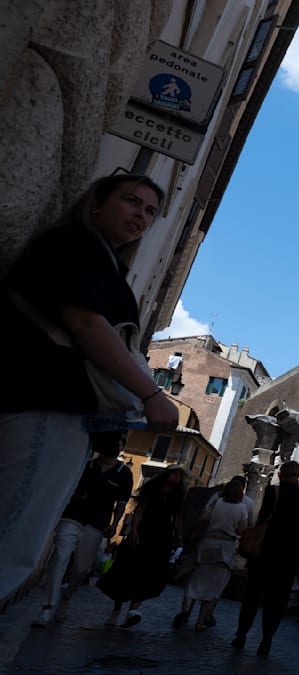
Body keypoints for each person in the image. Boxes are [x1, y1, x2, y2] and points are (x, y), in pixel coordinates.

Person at [0, 174, 178, 605]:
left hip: (46, 404)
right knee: (14, 540)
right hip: (45, 402)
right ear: (96, 203)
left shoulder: (98, 255)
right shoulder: (77, 244)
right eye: (131, 201)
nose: (141, 214)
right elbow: (86, 323)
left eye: (151, 210)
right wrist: (152, 395)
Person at [32, 430, 132, 627]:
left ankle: (67, 595)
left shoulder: (124, 474)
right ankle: (48, 607)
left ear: (121, 447)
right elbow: (67, 486)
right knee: (60, 558)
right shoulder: (85, 466)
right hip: (72, 518)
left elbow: (121, 503)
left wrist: (114, 524)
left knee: (82, 568)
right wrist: (76, 497)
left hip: (96, 525)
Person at [233, 461, 299, 656]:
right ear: (298, 474)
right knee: (277, 598)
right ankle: (267, 637)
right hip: (288, 557)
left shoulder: (274, 492)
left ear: (281, 475)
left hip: (265, 551)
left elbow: (263, 517)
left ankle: (242, 634)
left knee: (252, 595)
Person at [97, 464, 186, 629]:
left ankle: (133, 610)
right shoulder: (152, 491)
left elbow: (178, 519)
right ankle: (116, 610)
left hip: (162, 538)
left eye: (179, 475)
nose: (176, 477)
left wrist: (179, 537)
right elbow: (139, 512)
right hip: (144, 534)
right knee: (127, 571)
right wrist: (133, 532)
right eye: (174, 473)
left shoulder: (177, 497)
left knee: (149, 574)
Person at [176, 477, 249, 631]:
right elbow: (242, 530)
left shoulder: (216, 502)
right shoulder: (242, 508)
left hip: (206, 544)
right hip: (225, 549)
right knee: (213, 588)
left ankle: (185, 610)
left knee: (194, 581)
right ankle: (200, 622)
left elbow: (203, 518)